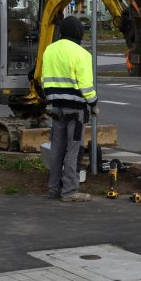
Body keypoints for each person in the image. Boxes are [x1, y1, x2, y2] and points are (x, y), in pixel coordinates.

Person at [41, 16, 97, 202]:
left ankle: (53, 189)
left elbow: (43, 80)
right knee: (73, 149)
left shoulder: (49, 50)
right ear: (79, 32)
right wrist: (94, 104)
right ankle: (70, 191)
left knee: (56, 148)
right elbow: (86, 86)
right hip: (76, 111)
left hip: (56, 108)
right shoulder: (82, 54)